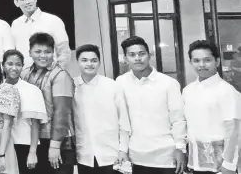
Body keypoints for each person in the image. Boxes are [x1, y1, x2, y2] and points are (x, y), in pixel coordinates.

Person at [115, 36, 186, 174]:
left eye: (142, 54)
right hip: (135, 156)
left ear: (149, 55)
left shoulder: (169, 83)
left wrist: (180, 148)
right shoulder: (120, 82)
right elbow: (122, 121)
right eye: (132, 55)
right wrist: (122, 150)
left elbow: (178, 119)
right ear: (125, 58)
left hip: (166, 156)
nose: (137, 58)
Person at [21, 32, 76, 174]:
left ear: (54, 53)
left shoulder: (60, 75)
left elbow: (62, 112)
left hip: (57, 140)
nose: (43, 56)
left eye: (47, 52)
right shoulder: (25, 73)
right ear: (30, 53)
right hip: (35, 139)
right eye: (38, 51)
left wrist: (55, 145)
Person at [182, 40, 240, 174]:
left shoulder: (227, 91)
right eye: (196, 60)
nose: (201, 65)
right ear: (190, 62)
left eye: (207, 60)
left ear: (217, 62)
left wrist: (229, 165)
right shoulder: (187, 91)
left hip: (221, 166)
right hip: (195, 163)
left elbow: (235, 131)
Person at [72, 44, 131, 174]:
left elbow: (124, 120)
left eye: (94, 60)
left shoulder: (113, 86)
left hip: (112, 154)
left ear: (99, 62)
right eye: (84, 60)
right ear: (77, 62)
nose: (89, 64)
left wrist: (123, 149)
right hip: (84, 155)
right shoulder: (72, 86)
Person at [2, 49, 47, 174]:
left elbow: (35, 124)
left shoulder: (32, 90)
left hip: (25, 145)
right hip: (4, 146)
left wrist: (32, 152)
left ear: (22, 66)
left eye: (18, 64)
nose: (14, 68)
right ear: (3, 65)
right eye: (10, 64)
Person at [10, 0, 71, 68]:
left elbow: (64, 52)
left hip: (49, 75)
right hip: (24, 75)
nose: (27, 2)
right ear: (16, 3)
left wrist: (55, 74)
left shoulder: (54, 20)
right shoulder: (15, 24)